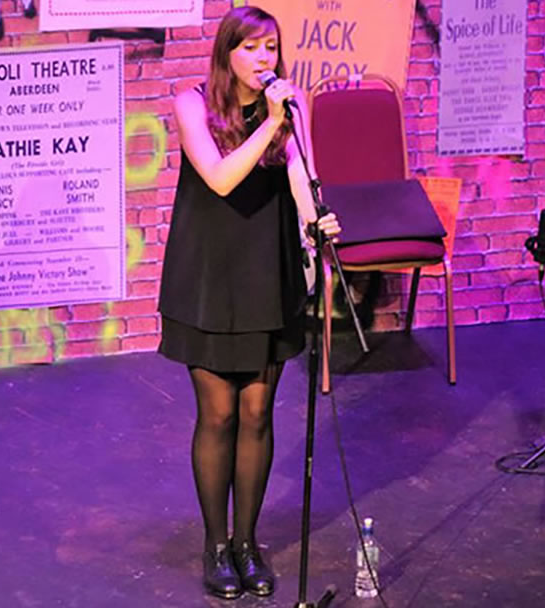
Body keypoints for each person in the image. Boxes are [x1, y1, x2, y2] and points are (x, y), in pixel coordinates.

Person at [156, 6, 341, 600]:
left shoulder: (293, 105)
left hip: (270, 268)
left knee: (259, 414)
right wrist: (270, 122)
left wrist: (318, 219)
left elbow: (298, 178)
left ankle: (246, 542)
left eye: (272, 48)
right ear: (227, 52)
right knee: (220, 414)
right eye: (252, 47)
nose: (264, 59)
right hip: (209, 272)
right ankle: (215, 545)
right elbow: (218, 177)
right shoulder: (192, 103)